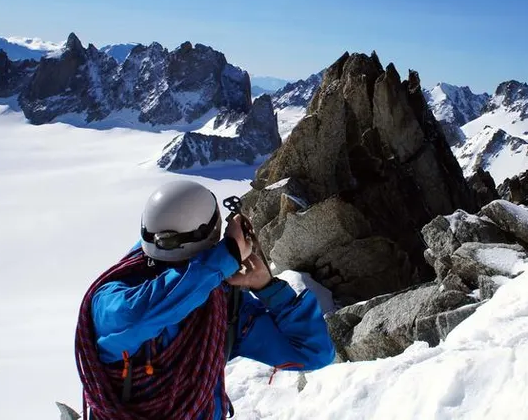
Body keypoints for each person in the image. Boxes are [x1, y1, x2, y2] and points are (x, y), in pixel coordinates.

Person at [74, 180, 335, 420]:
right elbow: (138, 316)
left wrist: (268, 288)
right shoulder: (114, 298)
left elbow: (313, 353)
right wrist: (226, 257)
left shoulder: (222, 307)